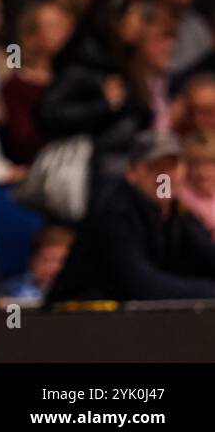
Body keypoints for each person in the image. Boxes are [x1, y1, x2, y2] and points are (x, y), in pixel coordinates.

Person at [49, 129, 215, 302]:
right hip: (75, 317)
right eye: (156, 168)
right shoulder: (115, 213)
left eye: (172, 166)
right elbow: (145, 286)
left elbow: (207, 254)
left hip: (122, 319)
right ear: (133, 172)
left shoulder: (175, 212)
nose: (165, 177)